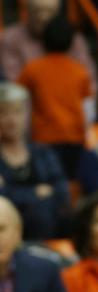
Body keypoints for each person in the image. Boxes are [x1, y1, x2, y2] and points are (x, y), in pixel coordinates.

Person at [17, 14, 94, 178]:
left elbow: (20, 104)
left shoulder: (32, 70)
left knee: (48, 182)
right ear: (71, 43)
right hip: (74, 138)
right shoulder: (80, 71)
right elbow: (89, 111)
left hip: (43, 138)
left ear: (43, 41)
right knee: (71, 184)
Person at [0, 0, 98, 95]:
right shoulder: (10, 38)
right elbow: (14, 88)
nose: (43, 17)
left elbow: (90, 84)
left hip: (70, 106)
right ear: (26, 9)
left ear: (58, 11)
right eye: (37, 10)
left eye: (49, 10)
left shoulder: (73, 39)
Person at [0, 84, 69, 240]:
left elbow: (61, 193)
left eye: (17, 111)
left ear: (26, 115)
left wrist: (13, 192)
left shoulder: (43, 153)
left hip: (50, 228)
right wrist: (34, 193)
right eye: (4, 112)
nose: (12, 119)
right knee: (40, 209)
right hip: (5, 232)